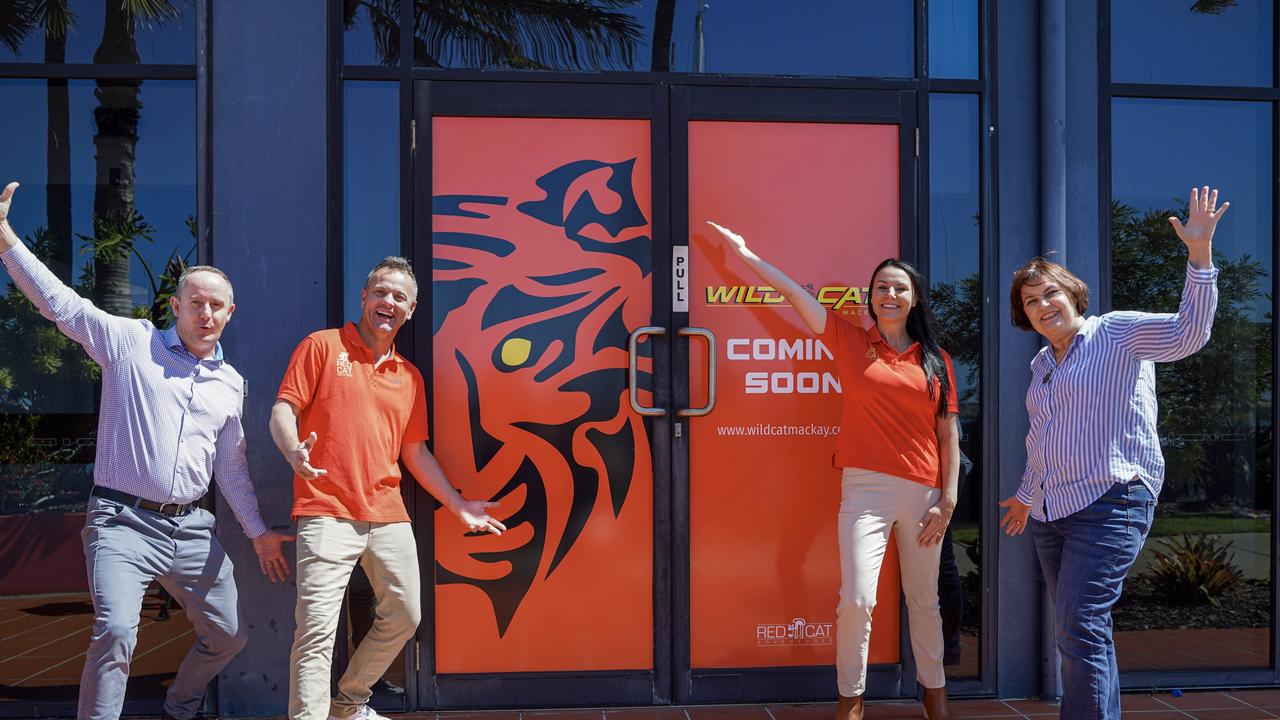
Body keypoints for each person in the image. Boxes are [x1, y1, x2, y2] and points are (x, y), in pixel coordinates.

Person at [0, 181, 294, 720]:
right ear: (176, 305)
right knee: (114, 632)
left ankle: (179, 706)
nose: (206, 314)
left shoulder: (231, 382)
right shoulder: (131, 343)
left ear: (231, 313)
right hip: (122, 522)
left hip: (191, 530)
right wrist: (5, 242)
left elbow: (229, 467)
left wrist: (257, 534)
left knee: (229, 636)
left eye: (217, 306)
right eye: (197, 303)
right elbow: (61, 305)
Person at [707, 222, 961, 720]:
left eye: (900, 288)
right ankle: (851, 701)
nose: (890, 294)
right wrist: (745, 253)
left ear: (914, 299)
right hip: (865, 488)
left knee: (924, 602)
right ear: (870, 297)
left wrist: (948, 499)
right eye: (882, 287)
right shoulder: (847, 340)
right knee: (857, 601)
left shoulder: (936, 360)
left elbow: (949, 433)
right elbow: (788, 293)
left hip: (926, 494)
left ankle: (936, 697)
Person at [998, 186, 1227, 720]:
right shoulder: (1042, 367)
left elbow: (1189, 334)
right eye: (1030, 302)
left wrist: (1199, 254)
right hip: (1053, 514)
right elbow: (1043, 441)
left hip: (1111, 501)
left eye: (1049, 293)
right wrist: (1026, 497)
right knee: (1081, 631)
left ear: (1073, 295)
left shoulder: (1117, 333)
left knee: (1079, 627)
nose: (1041, 306)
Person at [271, 256, 506, 720]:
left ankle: (349, 700)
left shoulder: (409, 377)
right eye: (381, 292)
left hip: (387, 513)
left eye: (400, 297)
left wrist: (458, 505)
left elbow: (415, 453)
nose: (388, 302)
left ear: (411, 310)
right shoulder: (322, 346)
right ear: (364, 297)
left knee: (405, 615)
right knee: (316, 631)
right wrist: (292, 451)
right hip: (326, 510)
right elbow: (283, 409)